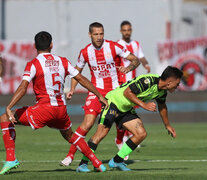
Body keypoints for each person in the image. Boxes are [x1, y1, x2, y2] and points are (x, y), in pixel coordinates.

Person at [0, 31, 108, 175]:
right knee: (70, 136)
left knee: (5, 118)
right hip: (61, 110)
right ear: (51, 45)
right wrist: (99, 95)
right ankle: (97, 162)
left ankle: (11, 159)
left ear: (34, 46)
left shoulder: (34, 63)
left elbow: (23, 87)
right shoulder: (62, 61)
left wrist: (9, 106)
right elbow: (81, 79)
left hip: (44, 109)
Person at [60, 22, 140, 172]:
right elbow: (76, 72)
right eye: (96, 34)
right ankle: (70, 155)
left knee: (121, 127)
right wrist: (71, 89)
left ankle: (118, 154)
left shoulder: (114, 47)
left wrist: (127, 68)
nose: (99, 37)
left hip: (115, 93)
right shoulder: (85, 52)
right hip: (96, 92)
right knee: (88, 123)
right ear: (90, 35)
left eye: (101, 34)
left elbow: (136, 60)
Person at [78, 66, 183, 171]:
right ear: (169, 82)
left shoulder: (162, 92)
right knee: (101, 133)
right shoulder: (148, 81)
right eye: (177, 84)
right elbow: (127, 92)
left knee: (141, 134)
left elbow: (162, 106)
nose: (177, 86)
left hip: (126, 108)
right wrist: (144, 105)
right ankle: (83, 164)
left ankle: (117, 161)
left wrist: (167, 125)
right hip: (113, 102)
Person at [115, 20, 151, 156]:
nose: (127, 32)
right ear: (121, 31)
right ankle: (122, 138)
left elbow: (141, 57)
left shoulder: (136, 44)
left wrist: (146, 65)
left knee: (129, 112)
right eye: (124, 30)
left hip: (133, 85)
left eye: (129, 30)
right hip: (121, 84)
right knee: (122, 112)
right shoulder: (118, 45)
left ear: (131, 30)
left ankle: (126, 136)